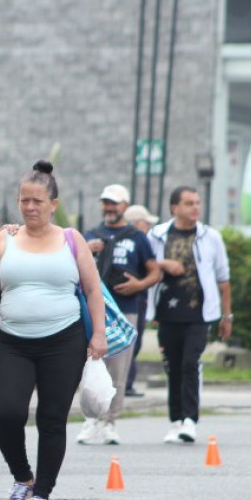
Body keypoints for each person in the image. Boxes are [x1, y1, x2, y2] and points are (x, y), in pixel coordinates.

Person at [0, 160, 106, 500]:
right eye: (24, 200)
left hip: (64, 341)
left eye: (38, 201)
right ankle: (22, 478)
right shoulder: (3, 239)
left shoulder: (72, 240)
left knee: (52, 418)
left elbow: (93, 290)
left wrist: (99, 334)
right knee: (7, 412)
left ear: (53, 204)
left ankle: (42, 495)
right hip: (14, 340)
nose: (30, 207)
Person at [76, 185, 160, 445]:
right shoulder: (91, 234)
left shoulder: (136, 237)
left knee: (119, 369)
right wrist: (87, 248)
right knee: (88, 366)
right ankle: (90, 421)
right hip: (93, 308)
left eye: (113, 203)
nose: (109, 208)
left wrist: (139, 286)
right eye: (105, 203)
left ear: (125, 205)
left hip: (125, 309)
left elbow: (155, 272)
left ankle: (110, 422)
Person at [148, 186, 232, 444]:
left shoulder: (210, 237)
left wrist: (227, 316)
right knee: (172, 366)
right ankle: (175, 420)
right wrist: (164, 264)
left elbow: (223, 278)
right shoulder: (158, 235)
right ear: (175, 208)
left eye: (197, 203)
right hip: (167, 312)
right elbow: (147, 264)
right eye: (189, 203)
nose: (195, 207)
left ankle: (190, 420)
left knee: (189, 364)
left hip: (198, 313)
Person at [122, 204, 160, 397]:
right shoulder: (135, 242)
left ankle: (127, 383)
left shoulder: (142, 241)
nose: (148, 227)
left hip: (140, 297)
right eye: (146, 223)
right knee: (130, 341)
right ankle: (125, 384)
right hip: (133, 300)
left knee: (134, 342)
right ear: (137, 223)